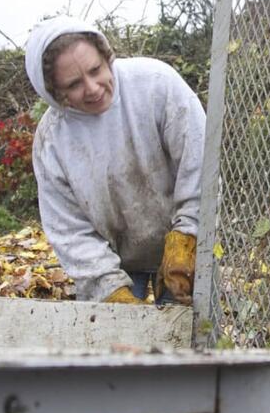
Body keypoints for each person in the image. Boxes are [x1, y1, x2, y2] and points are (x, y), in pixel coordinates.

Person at [23, 15, 207, 305]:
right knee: (120, 344)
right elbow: (70, 230)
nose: (93, 88)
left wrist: (188, 234)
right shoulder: (52, 142)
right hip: (113, 261)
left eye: (96, 70)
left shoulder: (156, 84)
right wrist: (108, 288)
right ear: (55, 93)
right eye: (74, 84)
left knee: (193, 337)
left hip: (183, 243)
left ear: (107, 56)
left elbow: (199, 165)